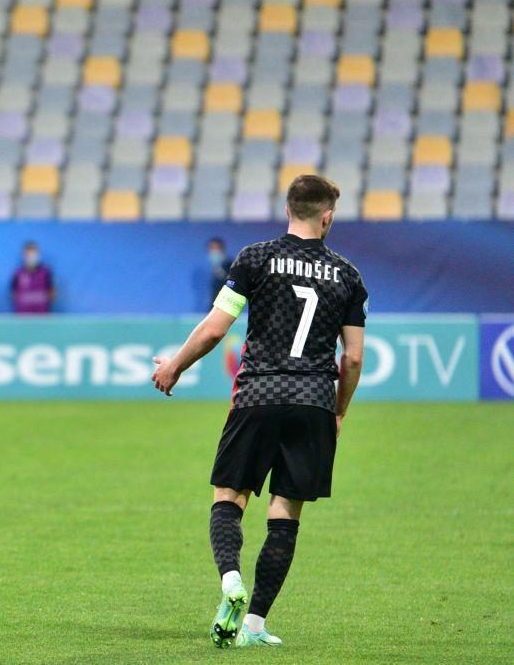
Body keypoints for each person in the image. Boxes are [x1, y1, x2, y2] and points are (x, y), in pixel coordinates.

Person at [150, 175, 367, 649]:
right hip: (312, 401)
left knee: (229, 498)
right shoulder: (348, 276)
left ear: (288, 209)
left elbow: (213, 330)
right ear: (327, 215)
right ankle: (254, 625)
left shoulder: (254, 258)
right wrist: (339, 412)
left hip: (258, 394)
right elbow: (351, 358)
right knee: (285, 512)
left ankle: (230, 580)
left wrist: (174, 367)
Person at [10, 241, 56, 313]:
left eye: (34, 253)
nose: (31, 256)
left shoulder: (46, 272)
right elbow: (13, 293)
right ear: (24, 255)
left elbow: (52, 293)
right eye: (28, 253)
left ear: (38, 254)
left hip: (42, 317)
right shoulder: (17, 274)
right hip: (23, 317)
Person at [206, 237, 233, 304]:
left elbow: (230, 282)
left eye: (216, 248)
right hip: (215, 304)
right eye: (211, 248)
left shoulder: (231, 264)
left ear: (222, 249)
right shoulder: (208, 266)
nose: (214, 251)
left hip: (227, 303)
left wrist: (218, 269)